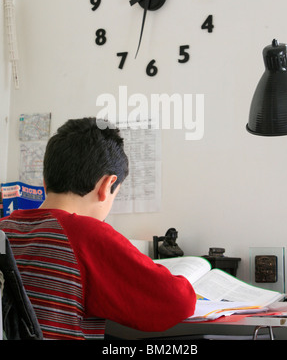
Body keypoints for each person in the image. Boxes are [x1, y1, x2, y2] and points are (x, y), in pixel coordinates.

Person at [0, 117, 196, 340]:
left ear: (45, 181)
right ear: (107, 186)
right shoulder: (86, 236)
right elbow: (178, 302)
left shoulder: (4, 228)